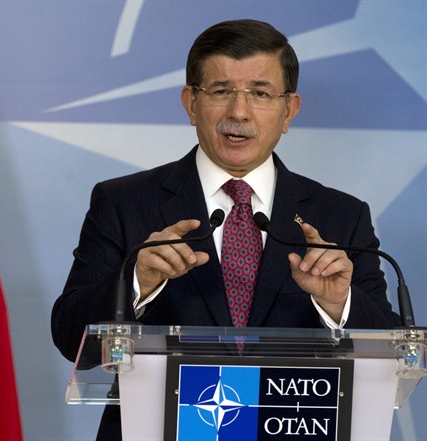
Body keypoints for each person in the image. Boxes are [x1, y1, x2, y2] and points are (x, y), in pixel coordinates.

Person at [51, 19, 400, 440]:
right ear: (190, 103)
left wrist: (339, 301)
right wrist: (136, 281)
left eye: (260, 93)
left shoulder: (341, 216)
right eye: (221, 91)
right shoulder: (124, 203)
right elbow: (71, 337)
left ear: (289, 110)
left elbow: (393, 351)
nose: (239, 112)